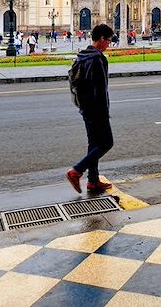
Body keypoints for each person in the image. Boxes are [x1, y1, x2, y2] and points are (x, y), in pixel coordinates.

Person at [66, 24, 115, 194]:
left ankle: (93, 181)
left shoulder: (83, 55)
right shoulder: (97, 58)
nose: (108, 44)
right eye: (108, 41)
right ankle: (76, 171)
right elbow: (100, 90)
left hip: (85, 108)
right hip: (96, 110)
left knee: (94, 144)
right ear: (101, 39)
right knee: (107, 143)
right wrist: (104, 113)